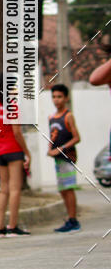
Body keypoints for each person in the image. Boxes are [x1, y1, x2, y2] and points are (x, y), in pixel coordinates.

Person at [0, 73, 31, 237]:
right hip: (13, 150)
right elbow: (17, 132)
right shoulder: (12, 106)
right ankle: (12, 226)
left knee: (3, 190)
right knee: (15, 189)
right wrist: (27, 153)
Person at [48, 84, 81, 232]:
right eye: (54, 97)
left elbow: (76, 137)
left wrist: (61, 149)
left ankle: (73, 220)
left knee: (68, 188)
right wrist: (50, 149)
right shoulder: (51, 117)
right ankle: (69, 218)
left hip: (67, 157)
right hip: (58, 159)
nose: (56, 100)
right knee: (62, 189)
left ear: (66, 98)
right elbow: (52, 136)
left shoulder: (68, 116)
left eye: (60, 97)